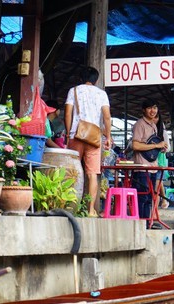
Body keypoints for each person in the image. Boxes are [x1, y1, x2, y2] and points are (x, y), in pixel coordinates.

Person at [64, 66, 112, 217]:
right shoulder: (101, 94)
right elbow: (107, 117)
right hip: (94, 137)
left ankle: (71, 207)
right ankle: (91, 210)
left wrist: (67, 132)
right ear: (96, 79)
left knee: (73, 172)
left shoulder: (74, 91)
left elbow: (67, 113)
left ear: (81, 77)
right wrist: (108, 137)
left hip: (76, 135)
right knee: (92, 174)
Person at [131, 98, 169, 228]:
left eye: (155, 108)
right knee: (142, 197)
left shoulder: (154, 125)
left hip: (153, 167)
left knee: (149, 198)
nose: (153, 111)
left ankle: (147, 224)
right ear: (143, 110)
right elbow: (135, 145)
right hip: (141, 167)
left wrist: (160, 147)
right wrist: (156, 145)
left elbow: (153, 145)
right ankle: (141, 225)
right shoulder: (139, 124)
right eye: (149, 108)